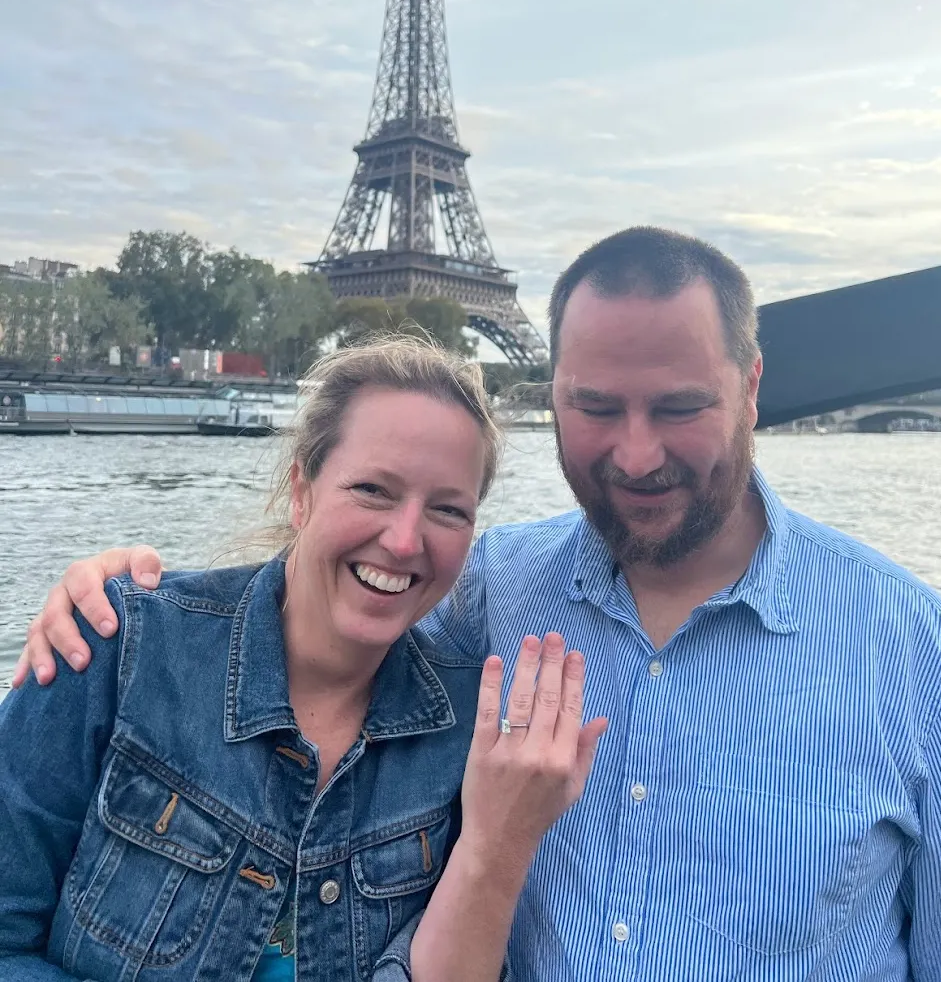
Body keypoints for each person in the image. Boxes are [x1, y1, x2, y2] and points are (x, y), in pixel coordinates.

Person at [16, 226, 941, 981]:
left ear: (752, 387)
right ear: (551, 396)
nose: (636, 454)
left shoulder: (922, 655)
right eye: (596, 407)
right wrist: (121, 598)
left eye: (680, 407)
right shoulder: (482, 590)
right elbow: (324, 615)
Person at [0, 335, 608, 981]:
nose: (404, 540)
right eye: (372, 489)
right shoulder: (118, 643)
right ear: (302, 492)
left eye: (448, 509)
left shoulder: (465, 733)